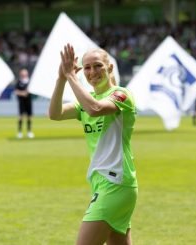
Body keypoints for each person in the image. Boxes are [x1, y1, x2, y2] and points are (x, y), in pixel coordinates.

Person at [49, 44, 138, 245]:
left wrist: (72, 76)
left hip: (116, 182)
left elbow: (96, 109)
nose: (92, 72)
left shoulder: (122, 94)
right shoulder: (85, 102)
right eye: (87, 68)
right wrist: (61, 79)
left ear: (110, 68)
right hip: (102, 182)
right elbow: (55, 114)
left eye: (97, 66)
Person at [15, 68, 34, 138]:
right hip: (21, 102)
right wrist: (23, 93)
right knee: (20, 117)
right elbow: (16, 91)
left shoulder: (30, 82)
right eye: (22, 74)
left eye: (25, 74)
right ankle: (19, 132)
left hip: (28, 102)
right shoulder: (18, 82)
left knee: (29, 117)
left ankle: (29, 132)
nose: (24, 75)